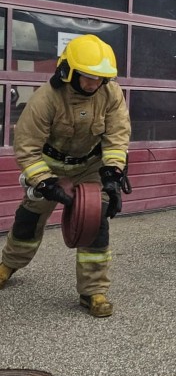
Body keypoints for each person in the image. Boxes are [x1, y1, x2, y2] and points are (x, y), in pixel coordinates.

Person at [0, 34, 130, 317]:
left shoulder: (111, 93)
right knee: (29, 219)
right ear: (66, 71)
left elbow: (117, 136)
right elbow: (27, 146)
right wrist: (44, 182)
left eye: (100, 78)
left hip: (90, 166)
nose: (94, 84)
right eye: (87, 77)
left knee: (96, 223)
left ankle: (93, 292)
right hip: (51, 166)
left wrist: (113, 173)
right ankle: (8, 265)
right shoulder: (45, 98)